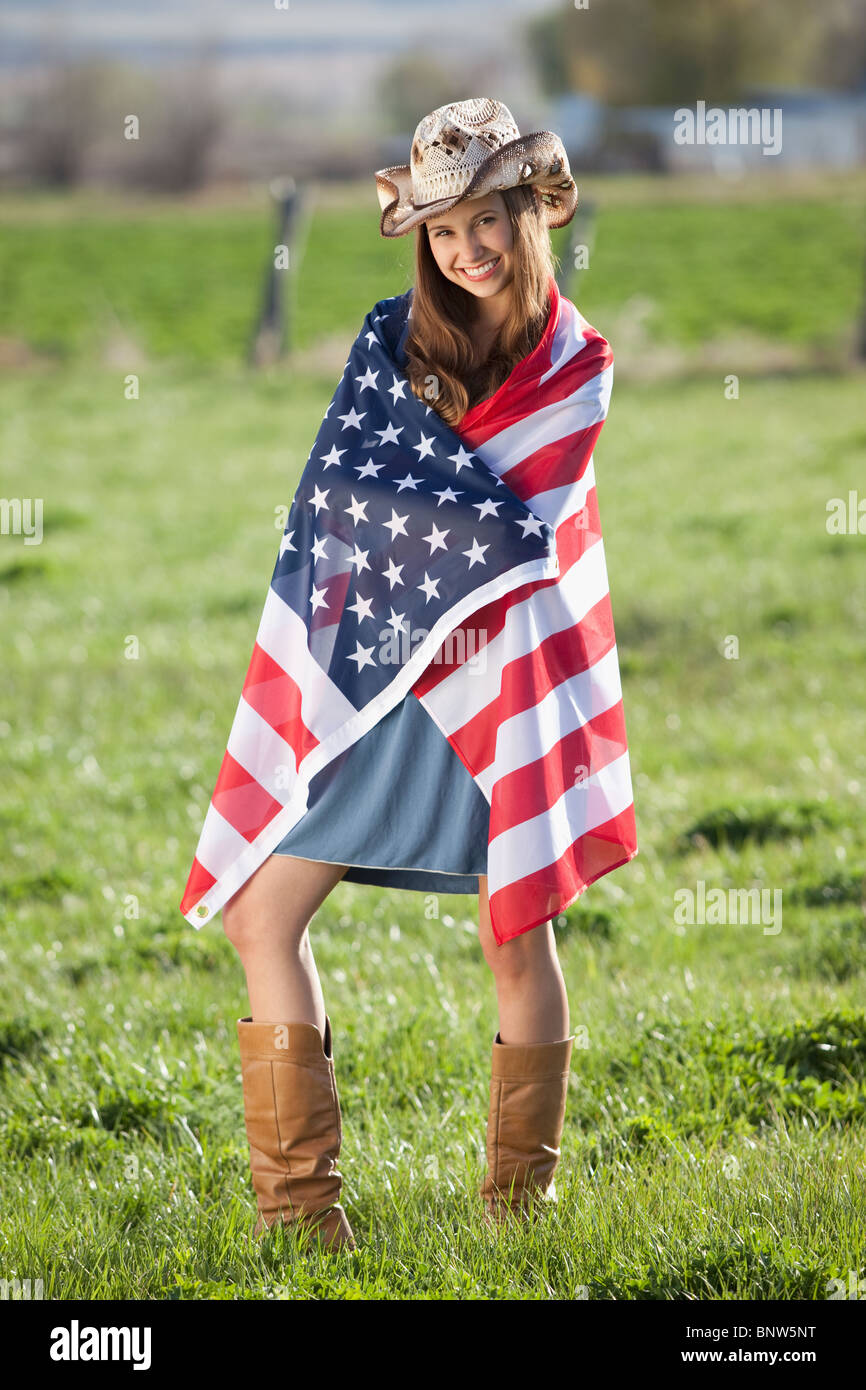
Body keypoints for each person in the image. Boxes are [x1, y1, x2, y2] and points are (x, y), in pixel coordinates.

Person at [217, 99, 630, 1254]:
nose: (467, 250)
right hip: (379, 685)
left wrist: (409, 515)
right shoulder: (387, 342)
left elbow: (514, 535)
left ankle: (518, 1213)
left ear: (525, 216)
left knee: (516, 936)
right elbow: (339, 507)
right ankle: (304, 1220)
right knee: (263, 915)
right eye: (444, 232)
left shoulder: (573, 362)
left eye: (487, 220)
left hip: (495, 693)